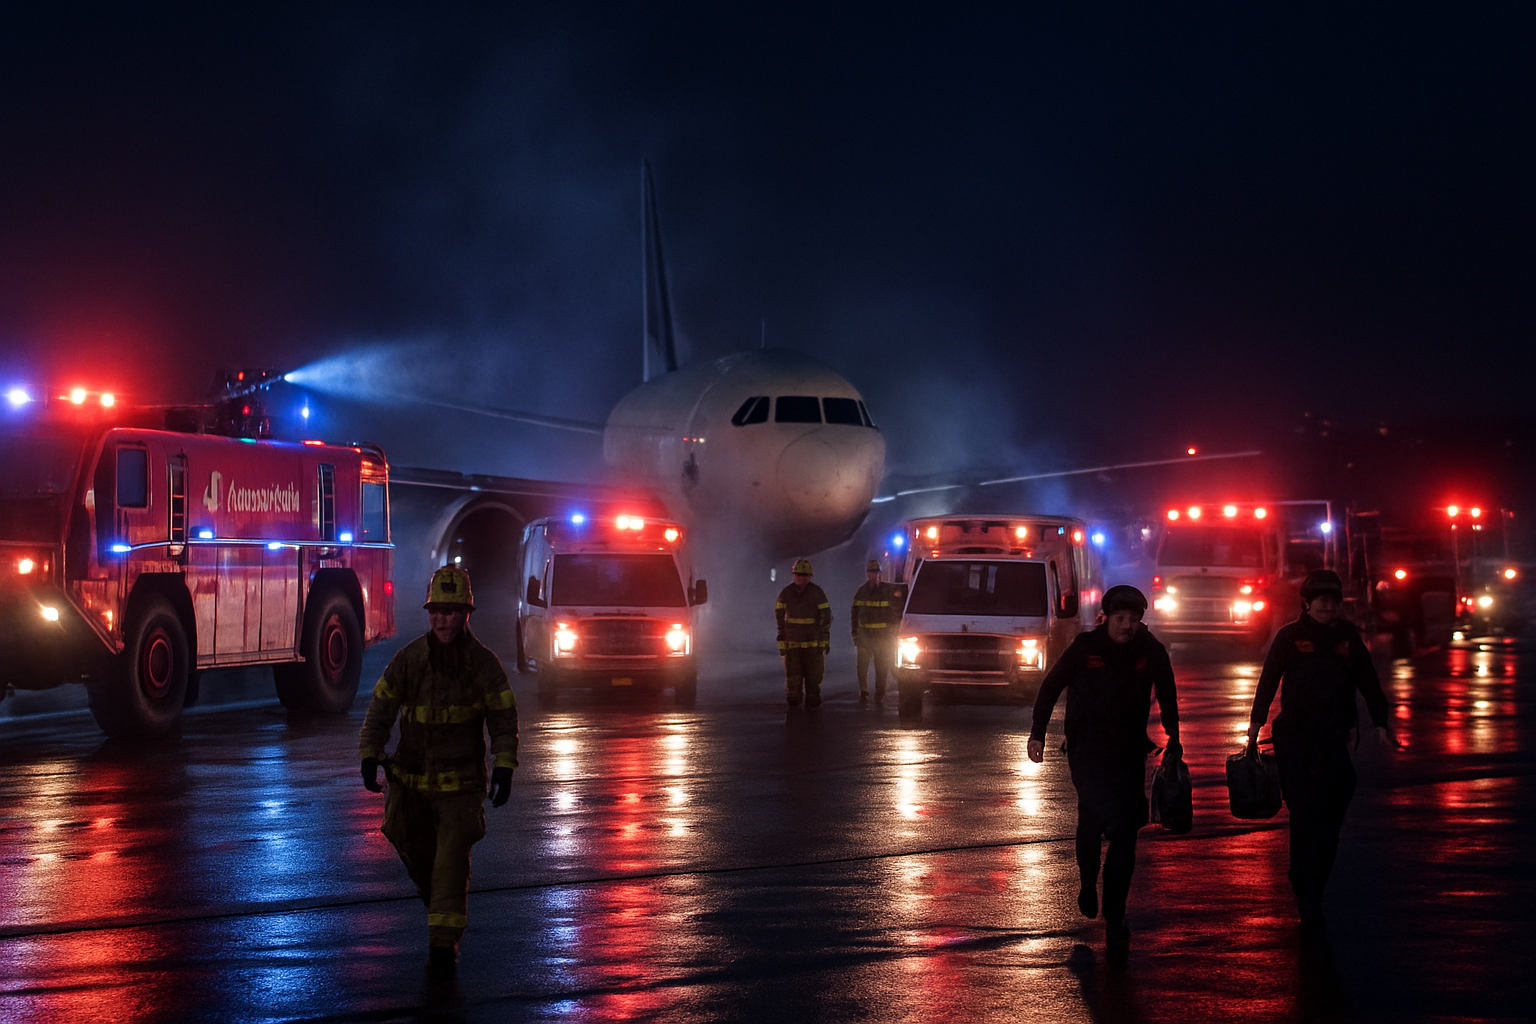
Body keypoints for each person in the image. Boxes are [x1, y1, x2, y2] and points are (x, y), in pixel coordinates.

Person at [359, 566, 518, 974]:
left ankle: (442, 951)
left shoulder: (483, 665)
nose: (443, 619)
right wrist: (369, 753)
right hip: (410, 785)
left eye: (451, 612)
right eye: (436, 612)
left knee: (449, 865)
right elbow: (381, 709)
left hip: (461, 790)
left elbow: (503, 720)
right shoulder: (409, 660)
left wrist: (503, 766)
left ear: (467, 614)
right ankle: (444, 912)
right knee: (413, 849)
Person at [1028, 585, 1180, 953]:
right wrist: (1037, 735)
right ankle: (1086, 881)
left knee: (1126, 830)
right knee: (1094, 819)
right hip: (1087, 751)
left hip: (1128, 753)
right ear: (1106, 618)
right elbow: (1050, 687)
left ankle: (1116, 917)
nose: (1126, 626)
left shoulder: (1151, 651)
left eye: (1133, 620)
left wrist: (1175, 739)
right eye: (1120, 619)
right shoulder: (1085, 647)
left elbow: (1169, 693)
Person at [1247, 568, 1393, 931]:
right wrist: (1255, 725)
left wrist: (1381, 722)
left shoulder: (1348, 638)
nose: (1328, 607)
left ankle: (1314, 884)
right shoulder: (1290, 637)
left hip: (1333, 740)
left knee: (1333, 811)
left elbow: (1369, 681)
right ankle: (1304, 888)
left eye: (1334, 600)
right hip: (1295, 740)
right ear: (1307, 603)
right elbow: (1268, 679)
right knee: (1305, 813)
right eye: (1321, 601)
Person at [775, 558, 832, 707]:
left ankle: (813, 696)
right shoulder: (786, 593)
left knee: (814, 676)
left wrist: (824, 639)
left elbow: (826, 617)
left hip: (813, 643)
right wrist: (782, 637)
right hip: (793, 643)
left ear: (810, 576)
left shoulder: (817, 593)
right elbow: (779, 615)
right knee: (793, 675)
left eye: (804, 575)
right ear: (793, 575)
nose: (801, 578)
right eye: (798, 575)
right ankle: (794, 696)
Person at [850, 559, 901, 701]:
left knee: (881, 665)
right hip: (865, 636)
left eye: (877, 572)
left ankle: (880, 691)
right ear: (867, 574)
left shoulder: (888, 590)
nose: (875, 575)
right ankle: (864, 691)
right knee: (862, 665)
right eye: (872, 572)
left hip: (883, 636)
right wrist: (855, 634)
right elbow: (854, 614)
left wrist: (894, 633)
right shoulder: (862, 592)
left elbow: (897, 612)